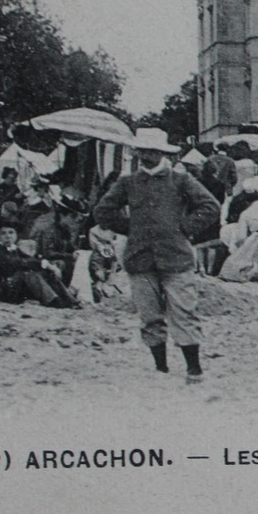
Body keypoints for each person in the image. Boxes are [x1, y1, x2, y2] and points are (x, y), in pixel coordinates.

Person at [94, 127, 222, 383]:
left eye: (151, 151)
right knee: (149, 315)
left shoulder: (181, 180)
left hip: (176, 259)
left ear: (163, 153)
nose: (146, 155)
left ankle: (193, 369)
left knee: (184, 312)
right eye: (142, 150)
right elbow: (103, 211)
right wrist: (132, 229)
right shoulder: (127, 182)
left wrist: (184, 229)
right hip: (140, 259)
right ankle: (161, 368)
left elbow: (210, 206)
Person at [0, 222, 76, 307]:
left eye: (11, 232)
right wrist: (45, 264)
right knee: (28, 274)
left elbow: (31, 259)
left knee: (46, 272)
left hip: (12, 287)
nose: (8, 236)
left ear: (16, 235)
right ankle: (53, 301)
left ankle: (68, 299)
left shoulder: (15, 249)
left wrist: (48, 266)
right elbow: (17, 263)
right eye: (3, 233)